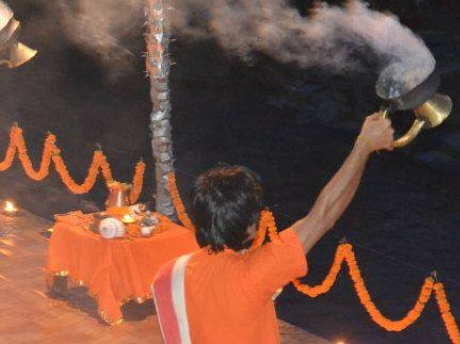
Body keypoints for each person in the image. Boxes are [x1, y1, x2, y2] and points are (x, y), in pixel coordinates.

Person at [152, 113, 394, 343]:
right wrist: (363, 146)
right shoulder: (254, 275)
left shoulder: (168, 273)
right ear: (249, 229)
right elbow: (323, 215)